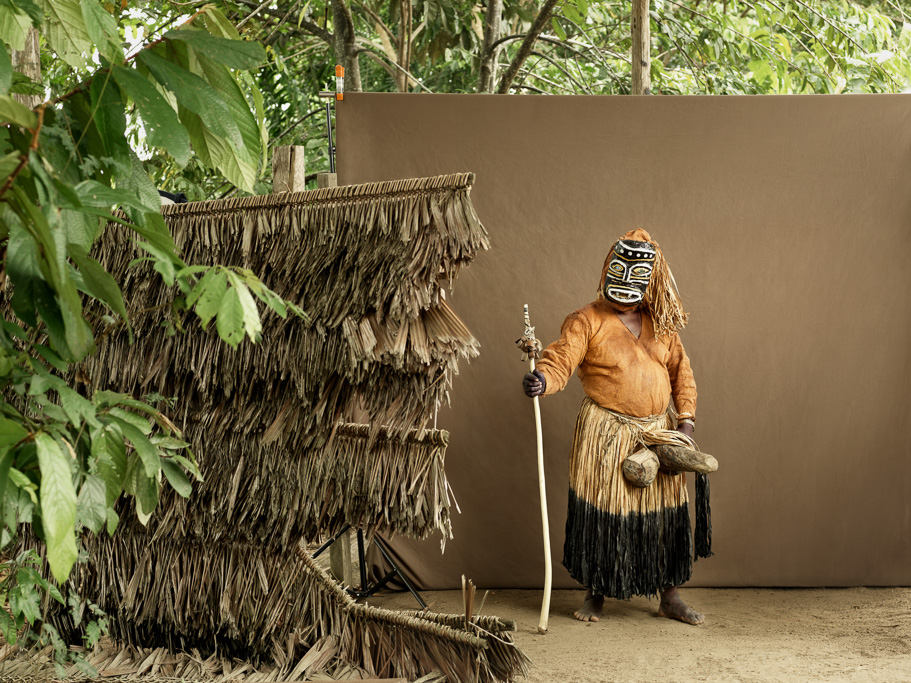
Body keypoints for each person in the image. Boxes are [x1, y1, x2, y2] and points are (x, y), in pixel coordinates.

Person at [522, 228, 710, 625]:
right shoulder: (585, 320)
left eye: (636, 275)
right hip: (607, 436)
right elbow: (561, 359)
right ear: (608, 269)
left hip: (659, 433)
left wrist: (686, 422)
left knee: (665, 515)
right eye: (619, 272)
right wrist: (543, 378)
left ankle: (669, 596)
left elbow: (682, 372)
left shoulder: (661, 323)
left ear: (649, 281)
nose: (625, 284)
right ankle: (596, 593)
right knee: (607, 515)